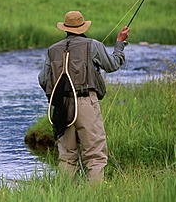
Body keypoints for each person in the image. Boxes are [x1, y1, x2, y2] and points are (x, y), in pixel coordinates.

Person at [38, 11, 130, 183]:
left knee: (67, 156)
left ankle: (64, 194)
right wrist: (120, 44)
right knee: (95, 155)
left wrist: (57, 98)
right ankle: (94, 195)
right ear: (83, 27)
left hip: (62, 106)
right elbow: (112, 65)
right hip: (86, 102)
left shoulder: (52, 49)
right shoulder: (93, 45)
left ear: (65, 28)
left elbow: (43, 79)